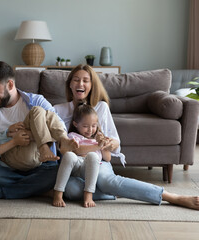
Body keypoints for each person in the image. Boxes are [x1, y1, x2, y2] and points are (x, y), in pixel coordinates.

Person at [54, 64, 199, 210]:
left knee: (106, 182)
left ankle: (169, 196)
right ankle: (119, 192)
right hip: (74, 165)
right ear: (70, 85)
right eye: (76, 80)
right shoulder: (58, 110)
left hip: (97, 161)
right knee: (71, 189)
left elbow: (115, 143)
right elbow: (58, 145)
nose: (80, 84)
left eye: (85, 80)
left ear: (92, 85)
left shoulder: (101, 107)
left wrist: (108, 143)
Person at [0, 61, 68, 200]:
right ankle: (37, 188)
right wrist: (9, 141)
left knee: (58, 171)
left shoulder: (36, 101)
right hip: (6, 167)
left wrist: (29, 136)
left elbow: (59, 128)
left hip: (40, 163)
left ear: (10, 85)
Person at [53, 102, 111, 208]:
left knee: (93, 156)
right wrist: (97, 146)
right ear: (76, 124)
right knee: (69, 155)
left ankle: (88, 194)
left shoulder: (98, 139)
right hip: (75, 166)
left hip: (88, 169)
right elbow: (76, 150)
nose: (90, 130)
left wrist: (103, 145)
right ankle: (58, 193)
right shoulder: (72, 136)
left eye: (94, 126)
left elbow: (108, 158)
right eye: (85, 126)